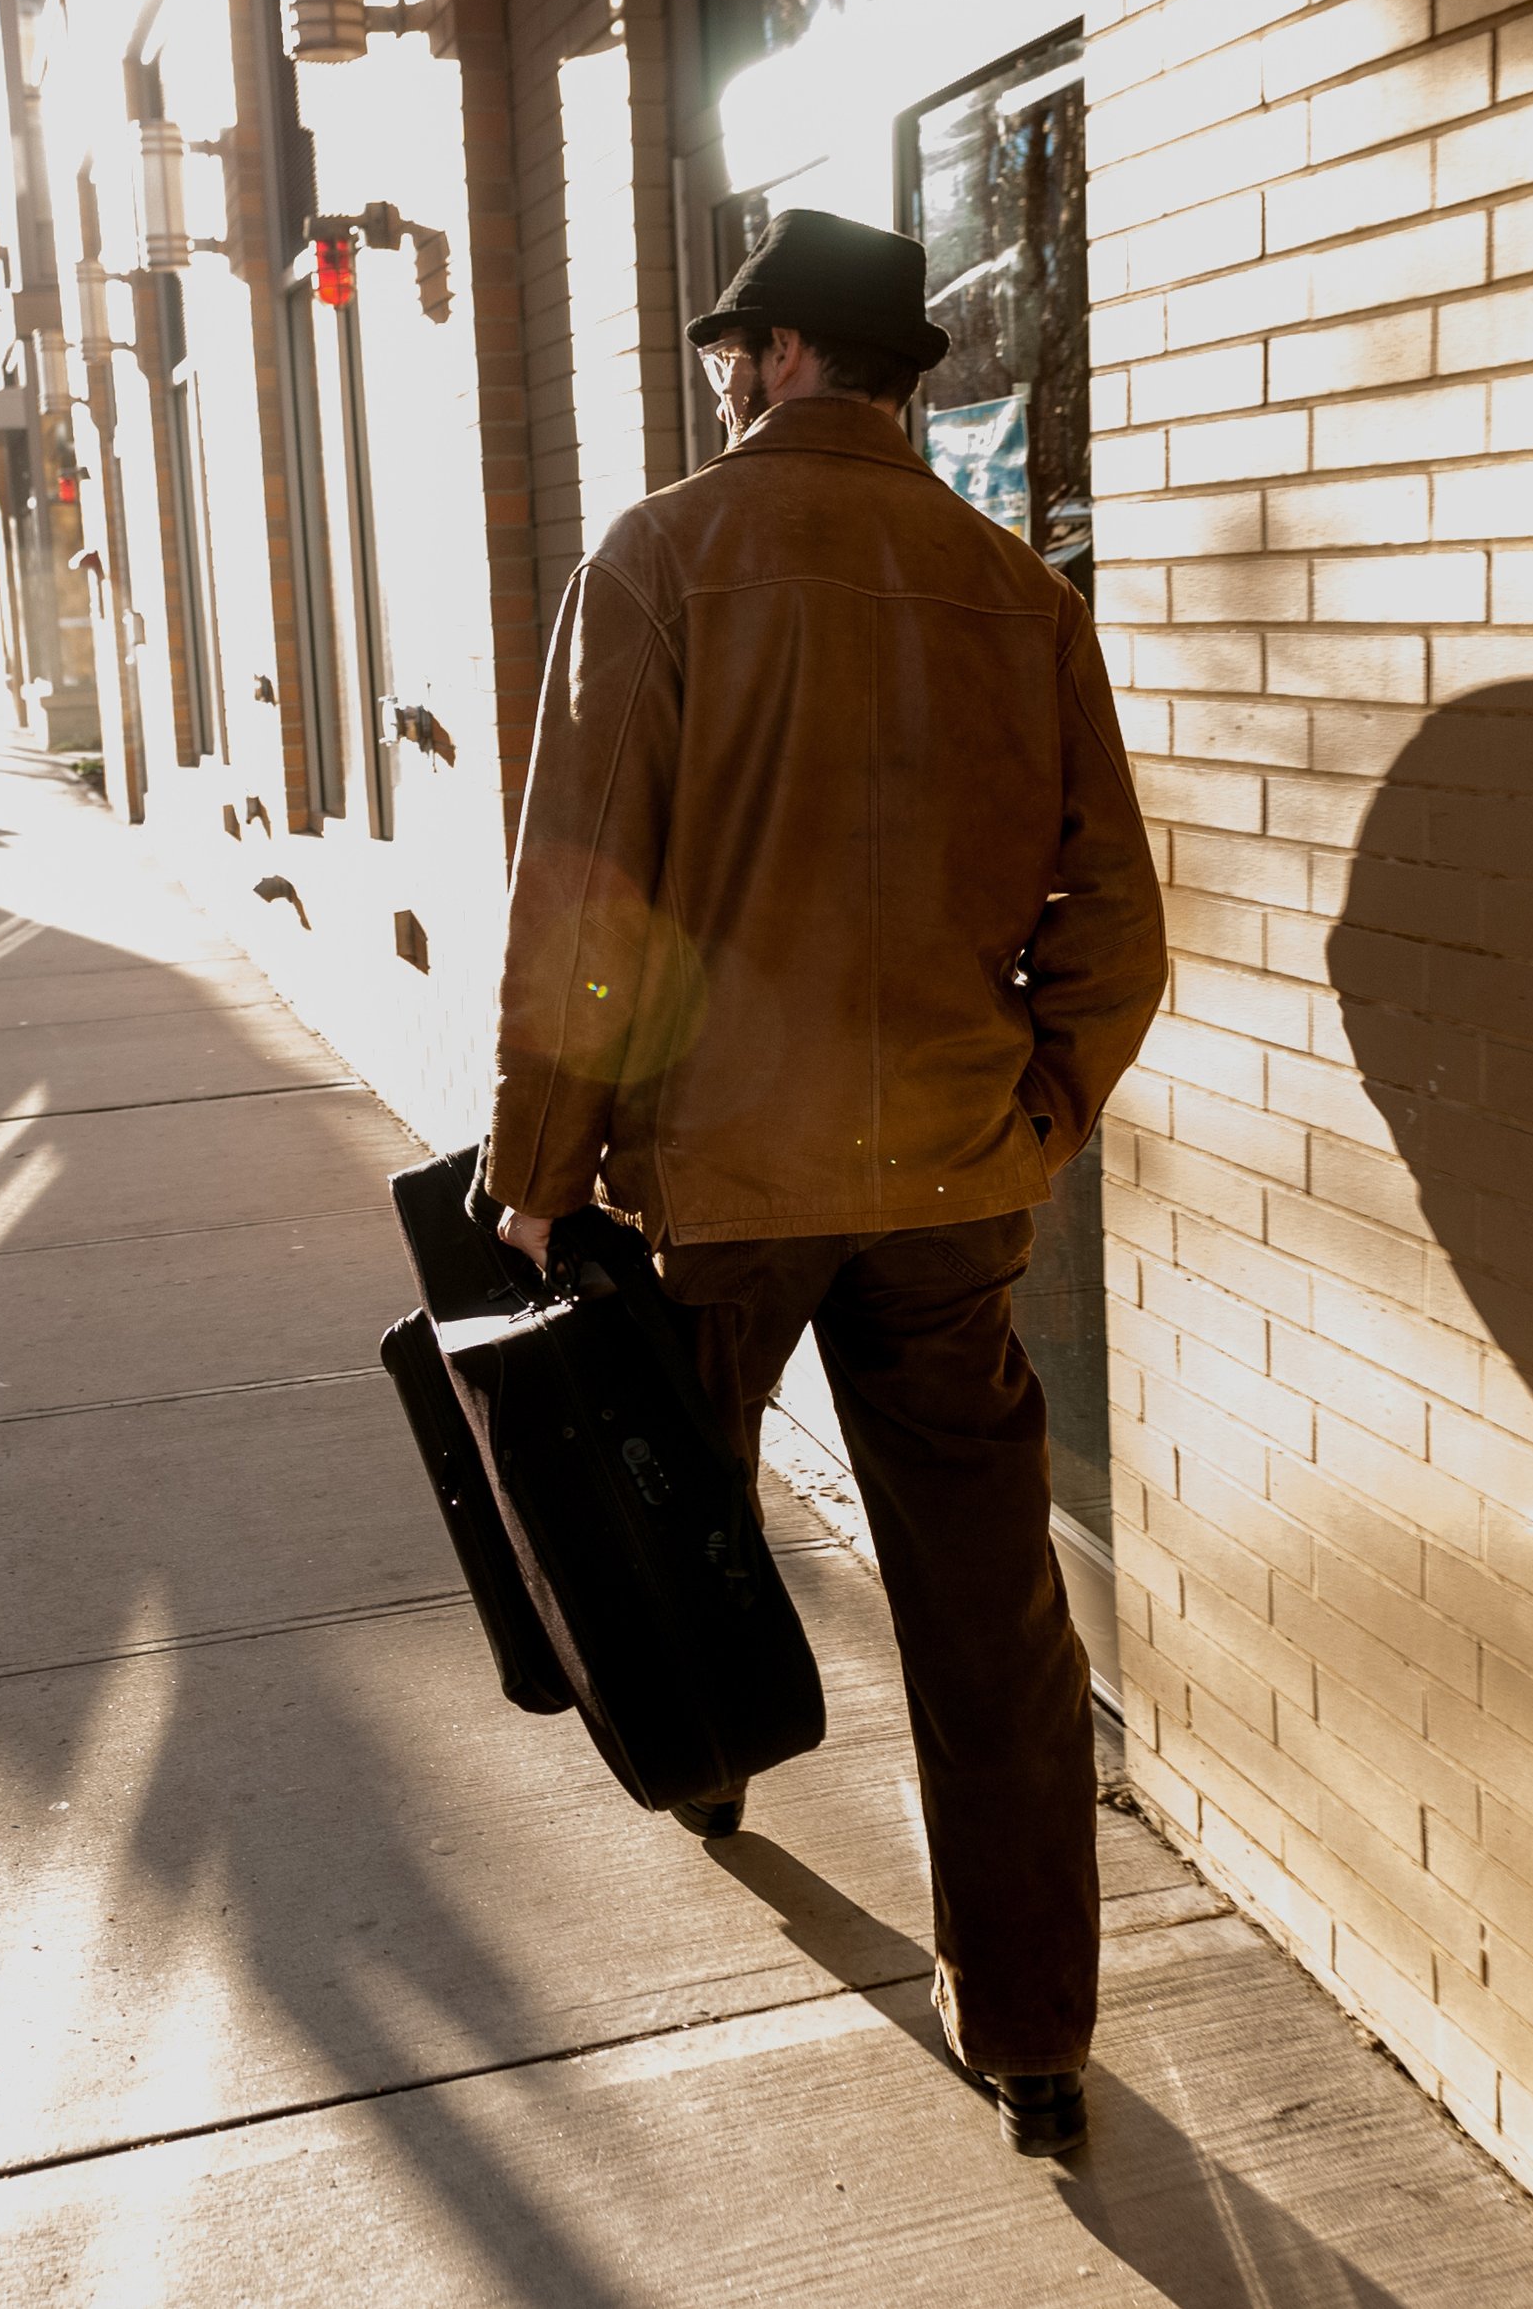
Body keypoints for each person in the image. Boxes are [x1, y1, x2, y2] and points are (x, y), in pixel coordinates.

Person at [479, 208, 1167, 2155]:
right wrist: (1028, 1120)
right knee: (989, 1607)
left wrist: (541, 1166)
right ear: (896, 376)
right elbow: (1113, 934)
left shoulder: (659, 559)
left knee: (658, 1517)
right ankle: (1034, 2037)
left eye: (736, 345)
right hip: (950, 1187)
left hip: (714, 1189)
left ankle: (707, 1769)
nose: (723, 372)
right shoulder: (1020, 598)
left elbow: (584, 906)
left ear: (781, 356)